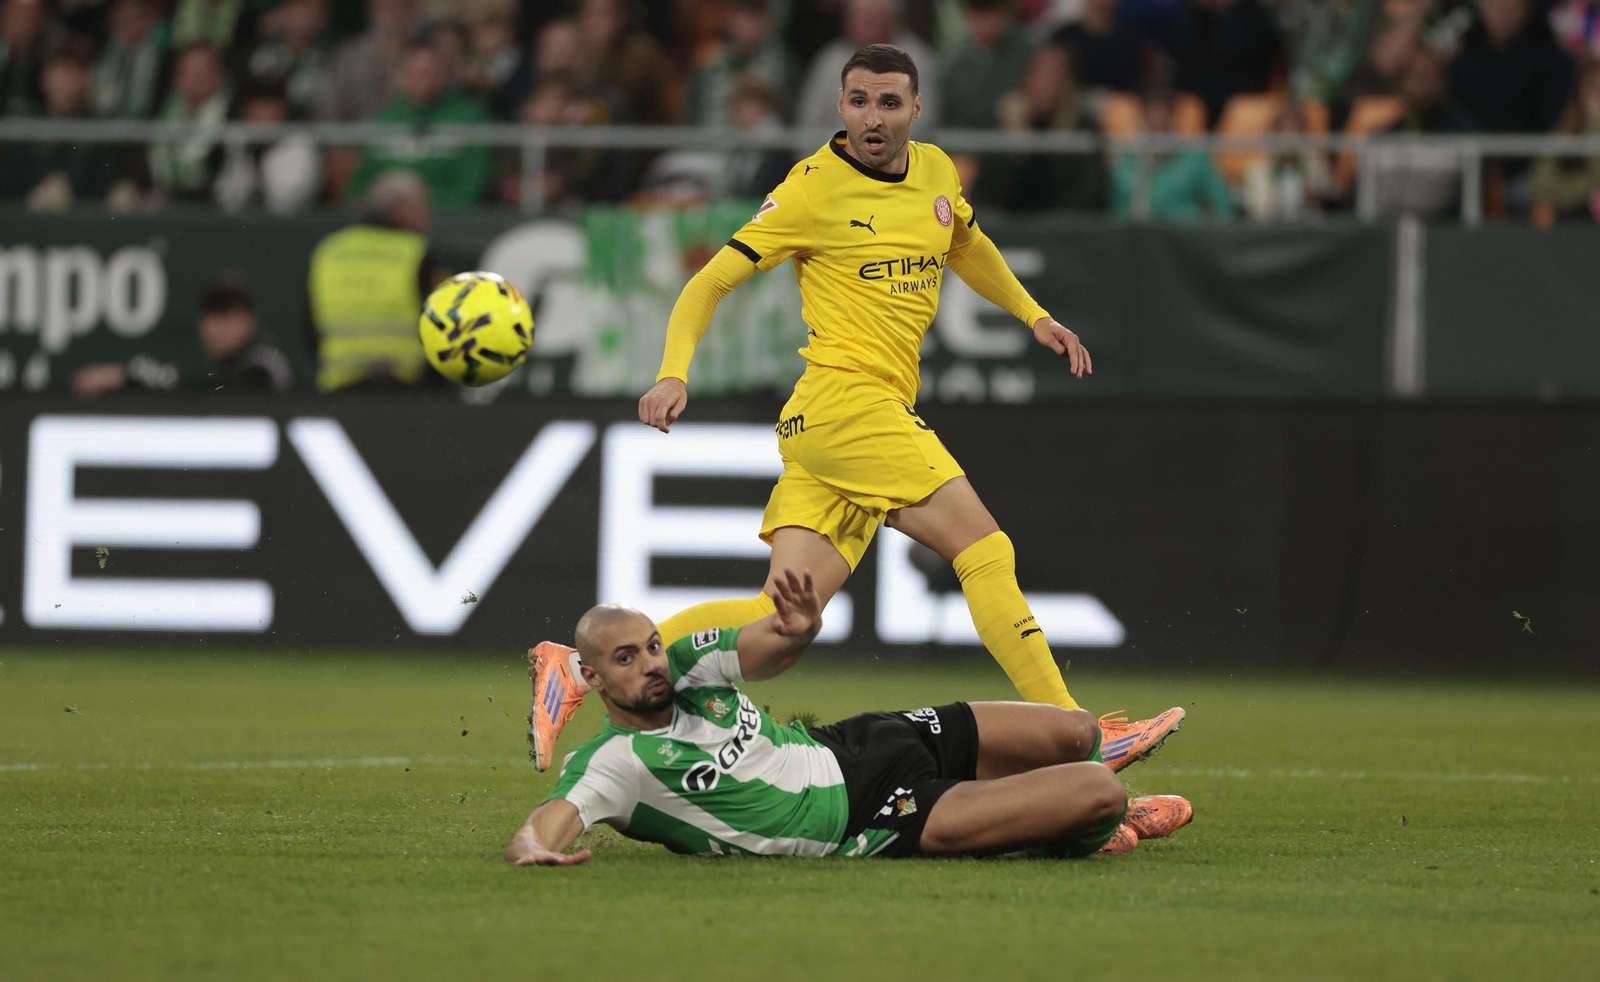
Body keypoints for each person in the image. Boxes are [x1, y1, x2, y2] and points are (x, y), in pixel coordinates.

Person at [527, 43, 1184, 776]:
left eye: (890, 103)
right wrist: (674, 372)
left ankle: (577, 666)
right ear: (841, 107)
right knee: (985, 550)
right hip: (849, 406)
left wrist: (1034, 316)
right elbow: (709, 281)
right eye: (861, 101)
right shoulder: (810, 189)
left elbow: (967, 243)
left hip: (826, 426)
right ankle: (1081, 737)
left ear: (915, 110)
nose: (874, 117)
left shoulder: (935, 171)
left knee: (778, 621)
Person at [506, 574, 1195, 864]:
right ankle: (1088, 828)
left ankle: (1064, 814)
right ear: (591, 678)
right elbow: (551, 820)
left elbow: (764, 652)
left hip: (858, 742)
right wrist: (535, 849)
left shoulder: (688, 665)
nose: (652, 664)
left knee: (1076, 734)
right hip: (868, 819)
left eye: (652, 645)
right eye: (627, 659)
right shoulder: (616, 764)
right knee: (1099, 788)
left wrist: (799, 628)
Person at [306, 170, 449, 392]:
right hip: (405, 389)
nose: (428, 215)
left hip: (339, 390)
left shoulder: (329, 251)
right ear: (397, 208)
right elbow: (445, 324)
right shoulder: (417, 253)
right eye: (421, 206)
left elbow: (310, 328)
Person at [71, 273, 295, 397]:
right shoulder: (232, 365)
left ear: (249, 321)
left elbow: (216, 396)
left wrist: (131, 375)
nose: (212, 328)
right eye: (208, 316)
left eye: (224, 316)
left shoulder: (265, 364)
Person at [344, 39, 492, 208]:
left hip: (449, 222)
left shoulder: (469, 118)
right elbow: (357, 187)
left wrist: (414, 206)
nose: (426, 80)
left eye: (432, 72)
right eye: (417, 72)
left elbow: (471, 190)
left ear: (444, 74)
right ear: (402, 75)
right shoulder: (384, 118)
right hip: (384, 221)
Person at [1109, 84, 1233, 221]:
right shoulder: (1125, 165)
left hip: (1187, 237)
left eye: (1164, 118)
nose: (1157, 123)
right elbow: (1115, 217)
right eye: (1151, 118)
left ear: (1174, 120)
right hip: (1139, 239)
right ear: (1141, 120)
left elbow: (1223, 208)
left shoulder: (1197, 159)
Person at [1530, 62, 1600, 227]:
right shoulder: (1568, 129)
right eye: (1593, 89)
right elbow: (1540, 184)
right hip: (1572, 216)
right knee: (1542, 210)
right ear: (1580, 93)